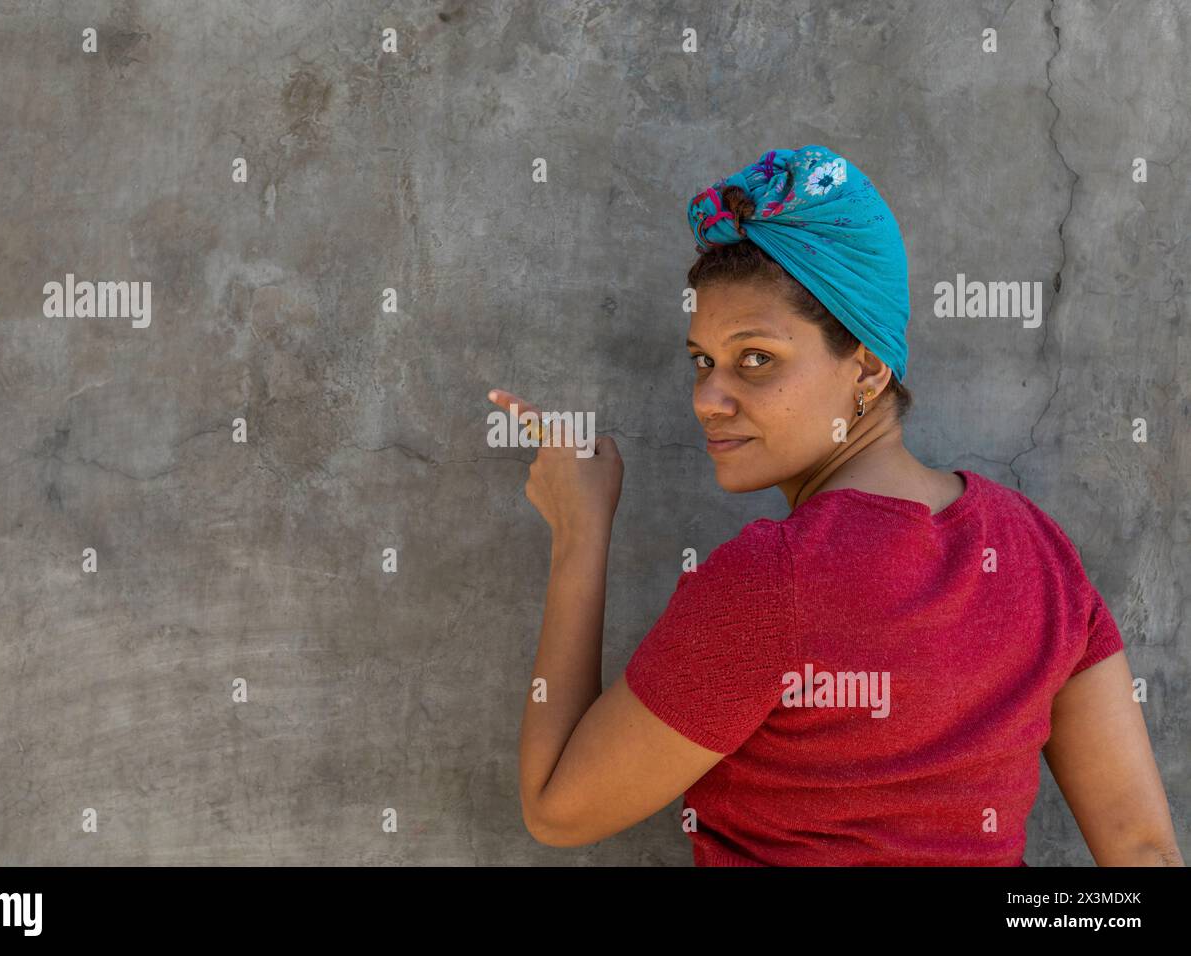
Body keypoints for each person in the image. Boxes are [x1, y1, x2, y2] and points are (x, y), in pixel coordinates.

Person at [493, 144, 1183, 866]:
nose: (707, 400)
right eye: (702, 360)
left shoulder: (773, 577)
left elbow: (556, 808)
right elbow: (1141, 849)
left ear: (869, 365)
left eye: (755, 358)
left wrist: (580, 531)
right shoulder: (1036, 546)